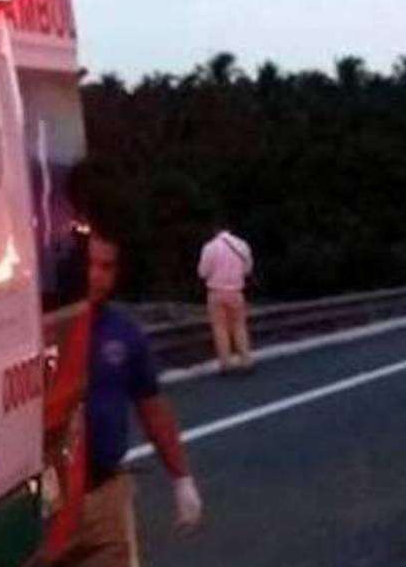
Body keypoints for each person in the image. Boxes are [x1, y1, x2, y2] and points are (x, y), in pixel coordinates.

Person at [56, 230, 203, 567]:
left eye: (106, 267)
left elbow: (151, 406)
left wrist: (182, 478)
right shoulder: (36, 328)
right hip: (43, 508)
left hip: (105, 494)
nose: (96, 275)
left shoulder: (124, 332)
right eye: (88, 264)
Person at [198, 224, 254, 372]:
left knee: (220, 328)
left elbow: (203, 272)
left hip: (216, 292)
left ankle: (225, 363)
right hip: (236, 292)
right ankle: (246, 360)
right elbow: (247, 270)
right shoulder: (242, 245)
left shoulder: (209, 247)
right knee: (239, 326)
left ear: (214, 231)